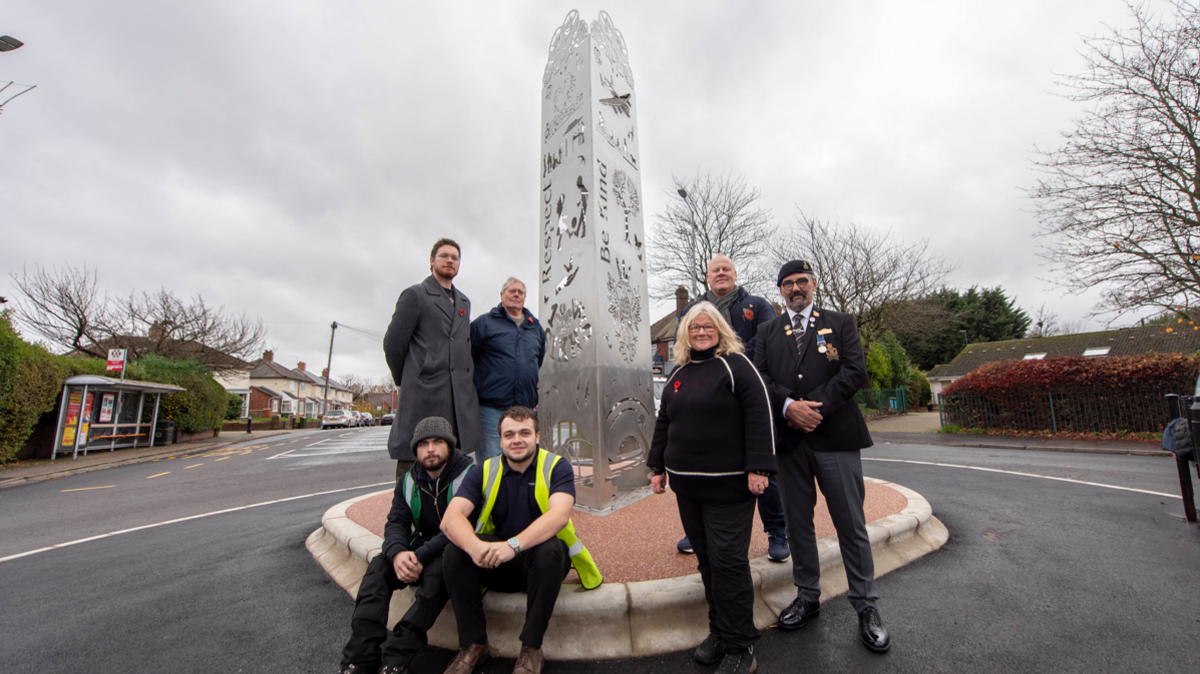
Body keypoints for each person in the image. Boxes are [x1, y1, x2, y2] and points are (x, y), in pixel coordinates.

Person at [752, 260, 891, 653]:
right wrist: (788, 407)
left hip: (835, 435)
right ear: (780, 290)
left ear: (813, 285)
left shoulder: (841, 322)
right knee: (798, 525)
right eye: (788, 283)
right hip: (790, 442)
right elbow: (759, 376)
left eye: (802, 281)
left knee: (851, 523)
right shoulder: (766, 331)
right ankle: (808, 596)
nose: (795, 288)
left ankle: (866, 607)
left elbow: (853, 370)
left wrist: (815, 408)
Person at [648, 302, 776, 674]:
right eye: (694, 327)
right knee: (706, 561)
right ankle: (719, 631)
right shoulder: (680, 373)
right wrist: (658, 466)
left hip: (730, 486)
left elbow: (759, 412)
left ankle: (741, 646)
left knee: (728, 562)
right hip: (688, 488)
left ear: (720, 329)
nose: (701, 332)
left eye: (708, 326)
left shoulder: (736, 366)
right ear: (684, 333)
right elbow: (664, 421)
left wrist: (759, 467)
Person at [439, 406, 602, 674]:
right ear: (500, 440)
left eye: (525, 433)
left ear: (537, 437)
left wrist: (512, 546)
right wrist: (476, 547)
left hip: (541, 565)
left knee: (549, 550)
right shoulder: (483, 470)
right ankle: (474, 645)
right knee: (454, 551)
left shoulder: (556, 466)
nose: (517, 440)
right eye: (509, 434)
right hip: (496, 561)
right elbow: (451, 518)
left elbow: (559, 516)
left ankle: (531, 648)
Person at [337, 416, 476, 674]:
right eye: (423, 444)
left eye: (437, 442)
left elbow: (459, 529)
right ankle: (360, 656)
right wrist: (398, 553)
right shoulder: (408, 480)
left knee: (436, 577)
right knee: (379, 568)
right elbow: (396, 522)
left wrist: (421, 556)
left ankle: (396, 657)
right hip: (419, 547)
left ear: (450, 446)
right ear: (416, 450)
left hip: (455, 548)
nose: (430, 449)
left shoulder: (469, 475)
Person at [675, 254, 789, 564]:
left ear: (735, 274)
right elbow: (684, 345)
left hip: (748, 397)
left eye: (727, 269)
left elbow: (768, 340)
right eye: (716, 270)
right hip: (707, 403)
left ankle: (777, 530)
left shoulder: (758, 305)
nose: (722, 273)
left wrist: (730, 363)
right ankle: (698, 530)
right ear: (708, 276)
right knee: (705, 464)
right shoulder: (690, 310)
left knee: (760, 464)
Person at [383, 238, 483, 478]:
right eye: (444, 256)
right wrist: (407, 379)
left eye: (455, 257)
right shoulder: (415, 295)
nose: (450, 260)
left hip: (458, 398)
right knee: (416, 465)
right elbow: (393, 344)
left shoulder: (464, 302)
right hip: (424, 395)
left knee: (455, 469)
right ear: (432, 261)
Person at [470, 277, 546, 461]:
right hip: (491, 409)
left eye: (520, 292)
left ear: (525, 298)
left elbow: (538, 361)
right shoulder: (484, 324)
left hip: (524, 410)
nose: (516, 295)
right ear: (502, 295)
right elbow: (468, 359)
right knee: (491, 463)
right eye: (512, 291)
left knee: (524, 461)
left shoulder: (535, 328)